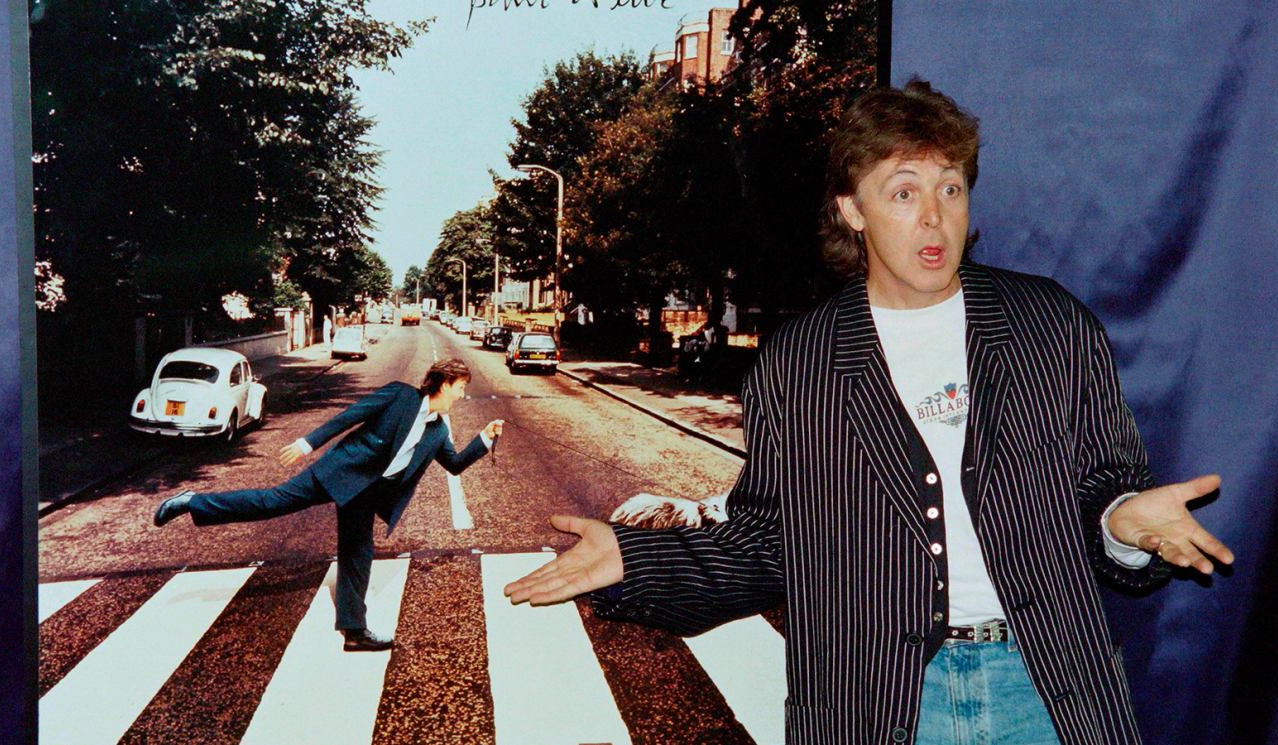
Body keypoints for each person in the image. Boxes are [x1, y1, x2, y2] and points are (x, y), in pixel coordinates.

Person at [504, 80, 1234, 745]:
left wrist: (1122, 523)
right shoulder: (801, 361)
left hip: (1048, 690)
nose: (935, 216)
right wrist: (636, 559)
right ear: (852, 208)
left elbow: (1103, 484)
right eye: (904, 191)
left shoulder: (1050, 325)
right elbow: (770, 540)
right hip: (876, 703)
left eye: (951, 188)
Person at [155, 359, 502, 651]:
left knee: (357, 554)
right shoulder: (400, 396)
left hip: (367, 492)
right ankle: (192, 502)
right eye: (460, 387)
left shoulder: (438, 430)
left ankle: (354, 631)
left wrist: (485, 438)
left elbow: (454, 464)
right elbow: (351, 416)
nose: (462, 394)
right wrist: (308, 444)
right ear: (443, 383)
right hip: (339, 471)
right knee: (272, 501)